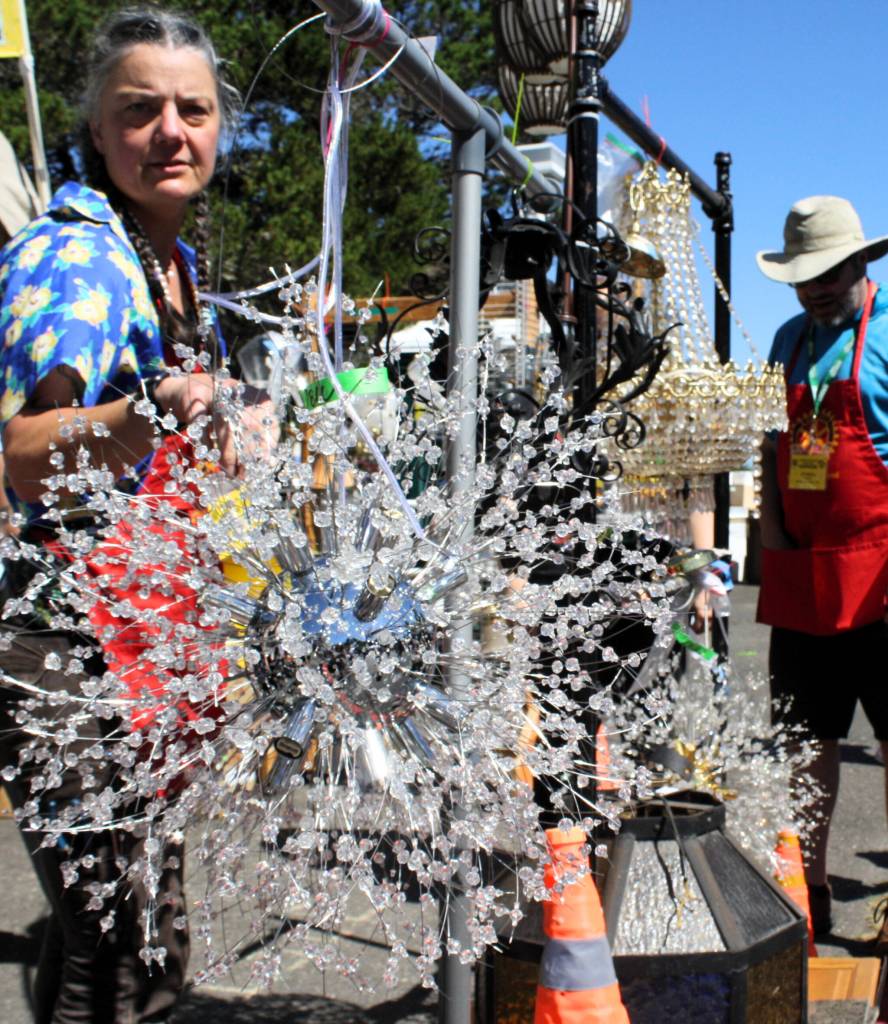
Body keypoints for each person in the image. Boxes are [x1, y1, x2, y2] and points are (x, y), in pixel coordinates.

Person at [0, 9, 270, 1022]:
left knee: (150, 927)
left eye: (192, 110)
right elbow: (24, 453)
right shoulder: (81, 261)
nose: (171, 132)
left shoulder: (172, 264)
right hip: (55, 642)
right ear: (99, 130)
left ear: (219, 129)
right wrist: (147, 409)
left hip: (136, 634)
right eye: (139, 110)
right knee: (107, 946)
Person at [756, 195, 888, 949]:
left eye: (828, 273)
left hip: (881, 570)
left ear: (862, 263)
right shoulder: (787, 339)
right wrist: (773, 543)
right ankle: (810, 888)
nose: (815, 289)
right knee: (808, 741)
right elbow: (770, 450)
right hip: (805, 569)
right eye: (803, 278)